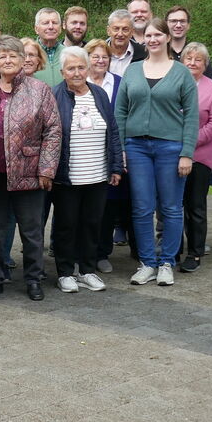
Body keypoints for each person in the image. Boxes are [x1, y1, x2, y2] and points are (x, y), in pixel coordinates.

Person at [0, 36, 62, 300]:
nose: (8, 60)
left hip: (29, 173)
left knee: (31, 231)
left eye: (13, 56)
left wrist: (46, 169)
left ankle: (33, 279)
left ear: (23, 60)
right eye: (3, 56)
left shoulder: (39, 90)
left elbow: (53, 131)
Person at [115, 18, 198, 285]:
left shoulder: (181, 72)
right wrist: (122, 149)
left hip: (170, 147)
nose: (152, 39)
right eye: (148, 35)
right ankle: (147, 262)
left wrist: (187, 152)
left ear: (166, 38)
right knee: (141, 208)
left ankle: (166, 262)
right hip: (136, 147)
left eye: (157, 35)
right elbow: (121, 111)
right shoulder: (133, 70)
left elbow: (192, 117)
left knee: (171, 208)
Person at [51, 47, 121, 293]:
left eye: (81, 67)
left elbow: (112, 130)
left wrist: (115, 166)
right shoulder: (54, 96)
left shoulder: (99, 94)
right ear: (62, 72)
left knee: (93, 224)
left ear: (88, 68)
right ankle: (65, 272)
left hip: (97, 175)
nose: (77, 72)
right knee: (67, 225)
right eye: (71, 68)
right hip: (67, 177)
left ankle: (88, 270)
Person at [85, 38, 130, 272]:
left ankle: (102, 253)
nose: (101, 60)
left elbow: (125, 117)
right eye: (96, 56)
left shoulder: (120, 83)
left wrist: (120, 151)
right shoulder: (78, 83)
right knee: (86, 206)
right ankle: (83, 253)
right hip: (86, 153)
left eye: (105, 57)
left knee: (108, 205)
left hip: (112, 151)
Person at [179, 43, 212, 273]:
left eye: (198, 60)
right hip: (172, 154)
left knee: (195, 206)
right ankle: (173, 250)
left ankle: (194, 253)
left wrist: (187, 142)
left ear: (205, 64)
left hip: (200, 156)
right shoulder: (173, 83)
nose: (192, 63)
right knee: (172, 205)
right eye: (188, 58)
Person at [165, 6, 209, 76]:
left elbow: (208, 83)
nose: (178, 25)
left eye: (182, 21)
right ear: (166, 24)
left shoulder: (199, 52)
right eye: (173, 21)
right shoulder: (159, 53)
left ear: (188, 25)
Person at [105, 9, 147, 78]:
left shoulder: (144, 54)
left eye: (125, 29)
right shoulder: (97, 53)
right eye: (116, 29)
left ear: (132, 32)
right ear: (108, 31)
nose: (120, 34)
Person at [33, 8, 64, 84]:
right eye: (45, 23)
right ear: (36, 29)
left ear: (60, 28)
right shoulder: (27, 53)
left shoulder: (69, 54)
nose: (51, 27)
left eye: (55, 23)